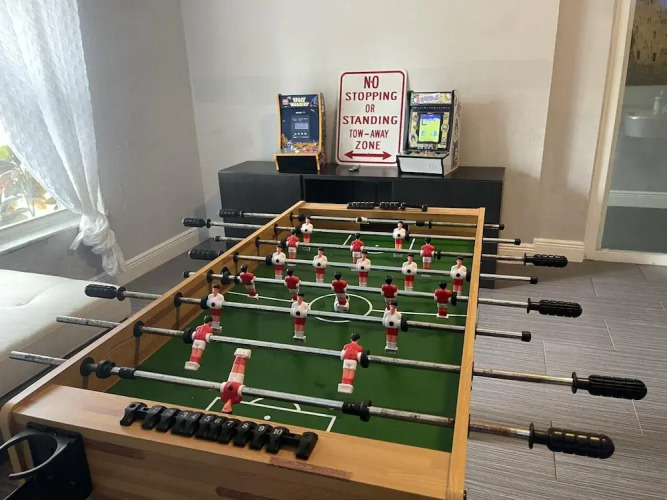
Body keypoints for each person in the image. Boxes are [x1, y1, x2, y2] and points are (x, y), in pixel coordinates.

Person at [220, 347, 252, 413]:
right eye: (226, 410)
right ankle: (244, 356)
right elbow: (239, 391)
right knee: (240, 369)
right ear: (230, 409)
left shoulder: (223, 398)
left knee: (234, 368)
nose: (224, 408)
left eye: (223, 409)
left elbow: (223, 388)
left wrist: (224, 385)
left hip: (230, 381)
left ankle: (238, 356)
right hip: (237, 383)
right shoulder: (236, 400)